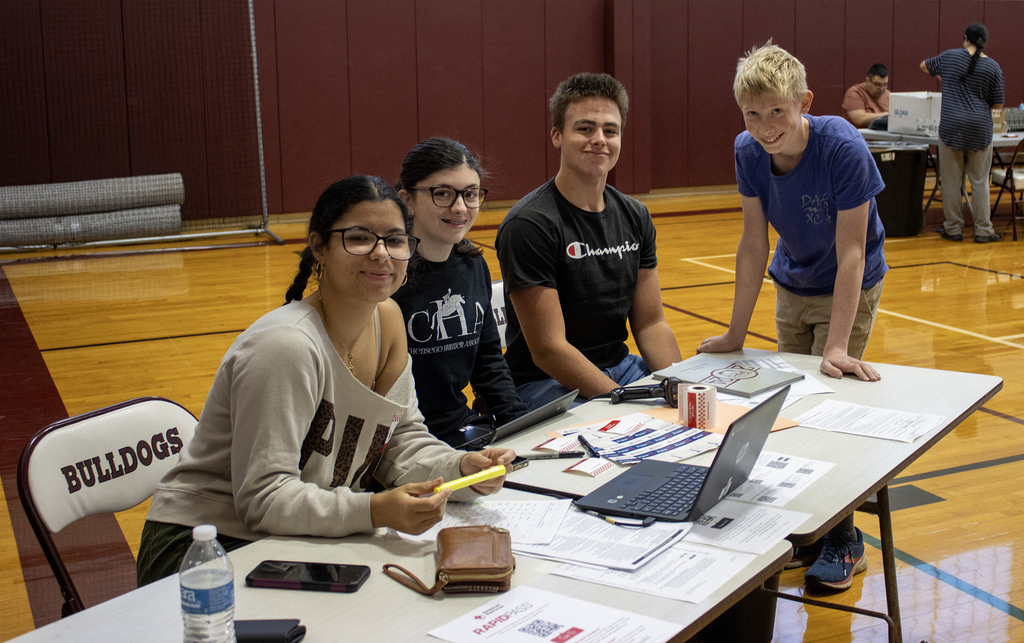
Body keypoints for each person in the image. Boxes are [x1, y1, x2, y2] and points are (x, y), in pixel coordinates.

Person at [136, 175, 514, 585]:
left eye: (395, 239)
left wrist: (460, 468)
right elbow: (263, 500)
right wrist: (373, 510)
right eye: (358, 238)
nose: (381, 254)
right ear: (319, 247)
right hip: (205, 547)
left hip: (294, 533)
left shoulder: (387, 320)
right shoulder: (285, 347)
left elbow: (399, 440)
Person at [698, 43, 888, 591]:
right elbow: (753, 243)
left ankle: (844, 539)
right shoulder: (748, 150)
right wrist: (737, 331)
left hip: (849, 284)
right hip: (794, 280)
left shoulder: (842, 147)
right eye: (752, 114)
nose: (764, 126)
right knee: (789, 408)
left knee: (831, 403)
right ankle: (807, 525)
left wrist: (837, 346)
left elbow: (852, 251)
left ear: (803, 101)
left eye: (777, 111)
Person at [495, 72, 682, 411]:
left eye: (610, 130)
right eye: (585, 128)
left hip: (621, 369)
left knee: (689, 419)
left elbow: (651, 323)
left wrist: (678, 387)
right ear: (557, 136)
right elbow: (549, 349)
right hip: (545, 382)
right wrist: (623, 402)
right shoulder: (529, 224)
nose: (599, 139)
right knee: (627, 436)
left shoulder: (635, 215)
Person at [392, 138, 527, 446]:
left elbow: (488, 361)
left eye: (470, 194)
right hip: (403, 440)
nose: (459, 207)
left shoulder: (473, 266)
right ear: (407, 199)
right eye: (442, 193)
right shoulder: (386, 274)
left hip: (459, 428)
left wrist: (518, 424)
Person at [921, 22, 1005, 243]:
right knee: (979, 181)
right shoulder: (993, 67)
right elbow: (997, 105)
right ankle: (984, 231)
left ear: (965, 37)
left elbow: (923, 66)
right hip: (980, 128)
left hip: (951, 127)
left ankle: (954, 228)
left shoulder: (949, 57)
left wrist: (945, 77)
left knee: (950, 181)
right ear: (984, 42)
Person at [843, 63, 890, 128]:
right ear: (868, 81)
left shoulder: (888, 94)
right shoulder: (855, 93)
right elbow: (859, 119)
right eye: (877, 84)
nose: (881, 88)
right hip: (858, 136)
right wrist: (888, 115)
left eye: (885, 85)